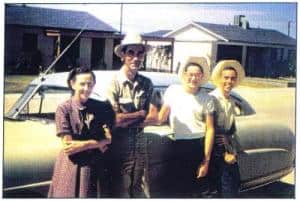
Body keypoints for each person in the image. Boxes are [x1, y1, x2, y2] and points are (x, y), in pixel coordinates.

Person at [48, 67, 115, 198]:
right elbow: (69, 147)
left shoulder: (100, 107)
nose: (86, 88)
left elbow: (108, 139)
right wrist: (96, 143)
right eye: (82, 84)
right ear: (72, 84)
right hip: (71, 167)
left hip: (94, 167)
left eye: (90, 84)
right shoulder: (64, 109)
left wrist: (83, 145)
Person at [106, 32, 156, 198]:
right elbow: (114, 120)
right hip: (120, 147)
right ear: (123, 56)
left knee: (140, 191)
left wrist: (129, 117)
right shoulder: (113, 82)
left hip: (140, 148)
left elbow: (154, 116)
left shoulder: (146, 83)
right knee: (121, 192)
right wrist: (141, 113)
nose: (136, 58)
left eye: (140, 53)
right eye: (131, 53)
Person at [157, 56, 215, 197]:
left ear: (201, 77)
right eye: (190, 75)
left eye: (197, 75)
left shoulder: (207, 98)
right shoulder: (173, 91)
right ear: (184, 75)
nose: (193, 78)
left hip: (197, 146)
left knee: (193, 191)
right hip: (176, 145)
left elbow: (210, 129)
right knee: (174, 189)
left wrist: (205, 161)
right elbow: (160, 118)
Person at [208, 60, 245, 198]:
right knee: (224, 191)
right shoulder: (212, 99)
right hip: (216, 154)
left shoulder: (231, 101)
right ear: (219, 79)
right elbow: (212, 130)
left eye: (232, 78)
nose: (229, 81)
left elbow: (231, 130)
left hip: (228, 151)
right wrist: (225, 153)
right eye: (226, 78)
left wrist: (231, 149)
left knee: (233, 187)